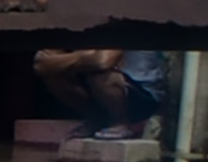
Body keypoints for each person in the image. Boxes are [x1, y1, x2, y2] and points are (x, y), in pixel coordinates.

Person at [34, 45, 170, 140]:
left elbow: (101, 61)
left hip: (141, 96)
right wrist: (83, 57)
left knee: (100, 76)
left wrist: (66, 60)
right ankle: (96, 119)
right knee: (54, 76)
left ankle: (121, 123)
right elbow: (41, 64)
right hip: (101, 90)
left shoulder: (124, 19)